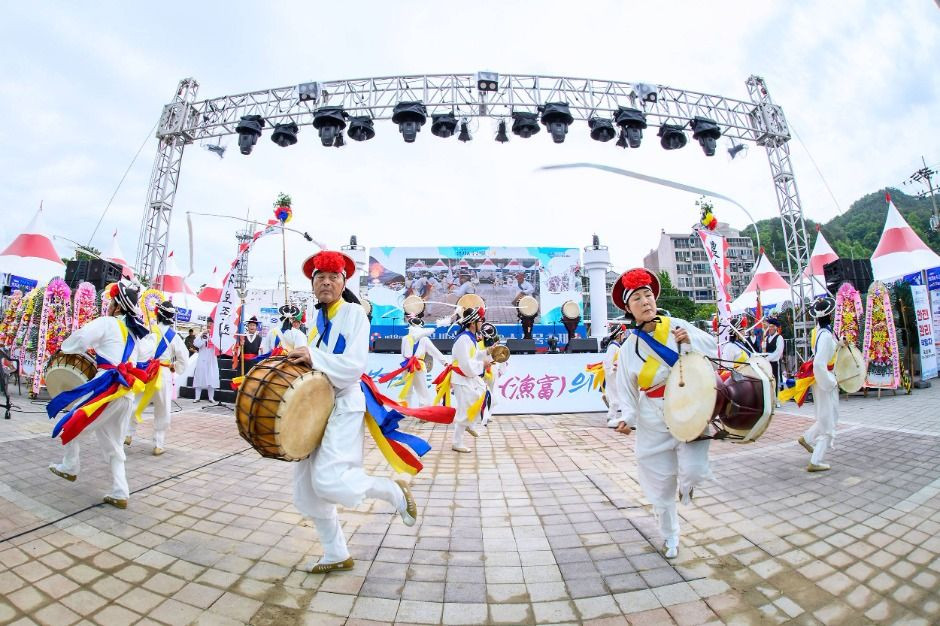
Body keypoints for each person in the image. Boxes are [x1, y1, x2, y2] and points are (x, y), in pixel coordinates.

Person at [287, 250, 416, 574]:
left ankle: (393, 491)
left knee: (329, 480)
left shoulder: (355, 313)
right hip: (316, 407)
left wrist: (313, 356)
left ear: (343, 283)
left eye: (333, 277)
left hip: (344, 403)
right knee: (306, 488)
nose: (326, 282)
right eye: (320, 277)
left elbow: (354, 366)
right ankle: (336, 553)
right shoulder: (314, 320)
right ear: (313, 284)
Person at [613, 268, 718, 559]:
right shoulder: (628, 348)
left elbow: (712, 347)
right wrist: (627, 417)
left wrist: (689, 340)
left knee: (694, 470)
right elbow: (626, 388)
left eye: (648, 295)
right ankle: (671, 535)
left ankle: (688, 485)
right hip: (652, 416)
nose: (645, 301)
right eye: (637, 298)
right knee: (660, 484)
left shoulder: (677, 325)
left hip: (689, 406)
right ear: (628, 308)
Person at [47, 283, 151, 509]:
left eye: (111, 303)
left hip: (106, 388)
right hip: (126, 393)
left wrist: (67, 347)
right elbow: (145, 358)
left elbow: (81, 339)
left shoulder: (107, 323)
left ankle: (70, 466)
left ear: (117, 306)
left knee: (73, 421)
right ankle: (120, 492)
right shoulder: (135, 336)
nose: (109, 306)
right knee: (114, 443)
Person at [125, 301, 188, 455]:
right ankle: (158, 444)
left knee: (137, 401)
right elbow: (184, 359)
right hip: (164, 374)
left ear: (158, 314)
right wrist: (175, 367)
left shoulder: (149, 330)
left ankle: (128, 433)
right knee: (162, 408)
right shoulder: (175, 337)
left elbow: (140, 351)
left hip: (147, 372)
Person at [795, 297, 840, 472]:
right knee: (829, 421)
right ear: (830, 315)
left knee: (828, 415)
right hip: (824, 379)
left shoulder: (820, 331)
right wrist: (830, 382)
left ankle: (807, 438)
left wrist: (839, 344)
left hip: (822, 378)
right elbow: (819, 363)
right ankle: (816, 460)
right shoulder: (826, 335)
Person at [448, 302, 492, 452]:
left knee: (482, 393)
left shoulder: (470, 338)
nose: (482, 323)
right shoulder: (463, 339)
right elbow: (466, 364)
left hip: (467, 377)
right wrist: (482, 364)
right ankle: (457, 442)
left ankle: (470, 424)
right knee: (464, 409)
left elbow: (474, 355)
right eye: (480, 320)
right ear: (473, 323)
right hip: (461, 378)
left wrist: (487, 352)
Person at [385, 315, 450, 407]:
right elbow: (404, 354)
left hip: (417, 366)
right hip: (408, 366)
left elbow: (434, 351)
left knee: (421, 390)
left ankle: (423, 410)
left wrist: (445, 362)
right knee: (408, 390)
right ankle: (405, 409)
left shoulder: (423, 339)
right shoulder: (406, 338)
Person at [603, 325, 630, 429]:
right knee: (618, 397)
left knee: (617, 398)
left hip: (616, 374)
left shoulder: (616, 346)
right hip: (614, 375)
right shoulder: (613, 347)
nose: (624, 336)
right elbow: (607, 363)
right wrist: (613, 369)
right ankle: (616, 419)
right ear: (618, 335)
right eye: (623, 334)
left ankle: (612, 417)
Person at [192, 318, 220, 403]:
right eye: (208, 323)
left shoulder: (216, 335)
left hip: (212, 359)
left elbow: (219, 347)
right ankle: (197, 397)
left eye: (211, 323)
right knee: (199, 376)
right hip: (202, 358)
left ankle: (211, 397)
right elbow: (196, 344)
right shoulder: (202, 333)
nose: (209, 325)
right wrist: (203, 337)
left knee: (212, 377)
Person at [763, 317, 784, 401]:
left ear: (775, 328)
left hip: (774, 363)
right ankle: (769, 398)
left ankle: (776, 399)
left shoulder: (779, 338)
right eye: (769, 326)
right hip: (767, 363)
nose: (770, 328)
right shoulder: (767, 338)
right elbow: (764, 350)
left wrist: (768, 358)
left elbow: (778, 352)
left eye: (772, 326)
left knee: (775, 380)